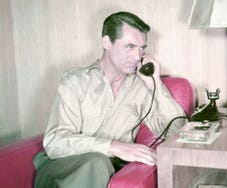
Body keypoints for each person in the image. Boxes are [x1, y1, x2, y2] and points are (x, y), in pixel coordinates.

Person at [33, 11, 185, 188]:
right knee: (97, 162)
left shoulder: (140, 88)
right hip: (62, 168)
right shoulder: (75, 82)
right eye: (130, 46)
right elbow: (55, 142)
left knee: (99, 163)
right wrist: (114, 147)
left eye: (142, 48)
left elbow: (180, 132)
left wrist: (156, 85)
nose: (138, 56)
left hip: (105, 169)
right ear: (106, 42)